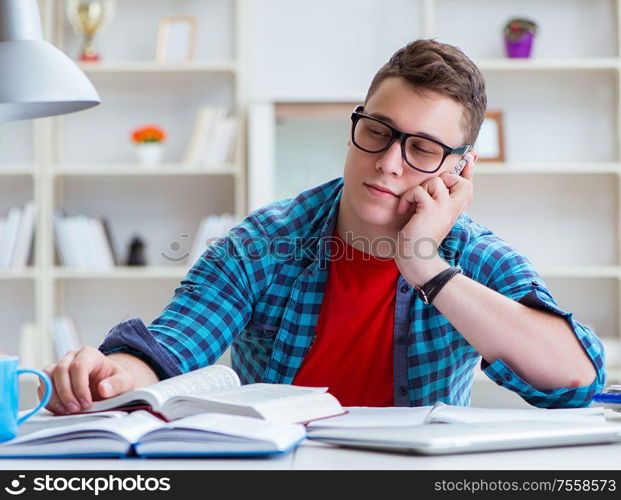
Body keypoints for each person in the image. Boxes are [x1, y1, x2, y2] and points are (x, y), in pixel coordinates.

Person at [40, 39, 605, 414]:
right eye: (378, 130)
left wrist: (427, 268)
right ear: (355, 124)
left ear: (460, 169)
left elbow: (578, 379)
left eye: (424, 149)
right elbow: (173, 346)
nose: (388, 162)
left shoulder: (471, 255)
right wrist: (106, 377)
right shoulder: (262, 242)